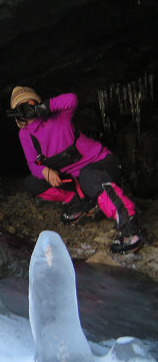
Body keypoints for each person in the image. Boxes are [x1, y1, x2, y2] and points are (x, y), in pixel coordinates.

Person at [8, 86, 144, 253]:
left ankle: (129, 228)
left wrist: (44, 107)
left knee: (88, 176)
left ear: (38, 102)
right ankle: (80, 202)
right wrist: (46, 172)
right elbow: (32, 163)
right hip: (77, 179)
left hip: (103, 165)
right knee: (32, 183)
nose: (27, 110)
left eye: (30, 104)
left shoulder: (60, 117)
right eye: (21, 107)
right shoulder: (25, 135)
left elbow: (71, 99)